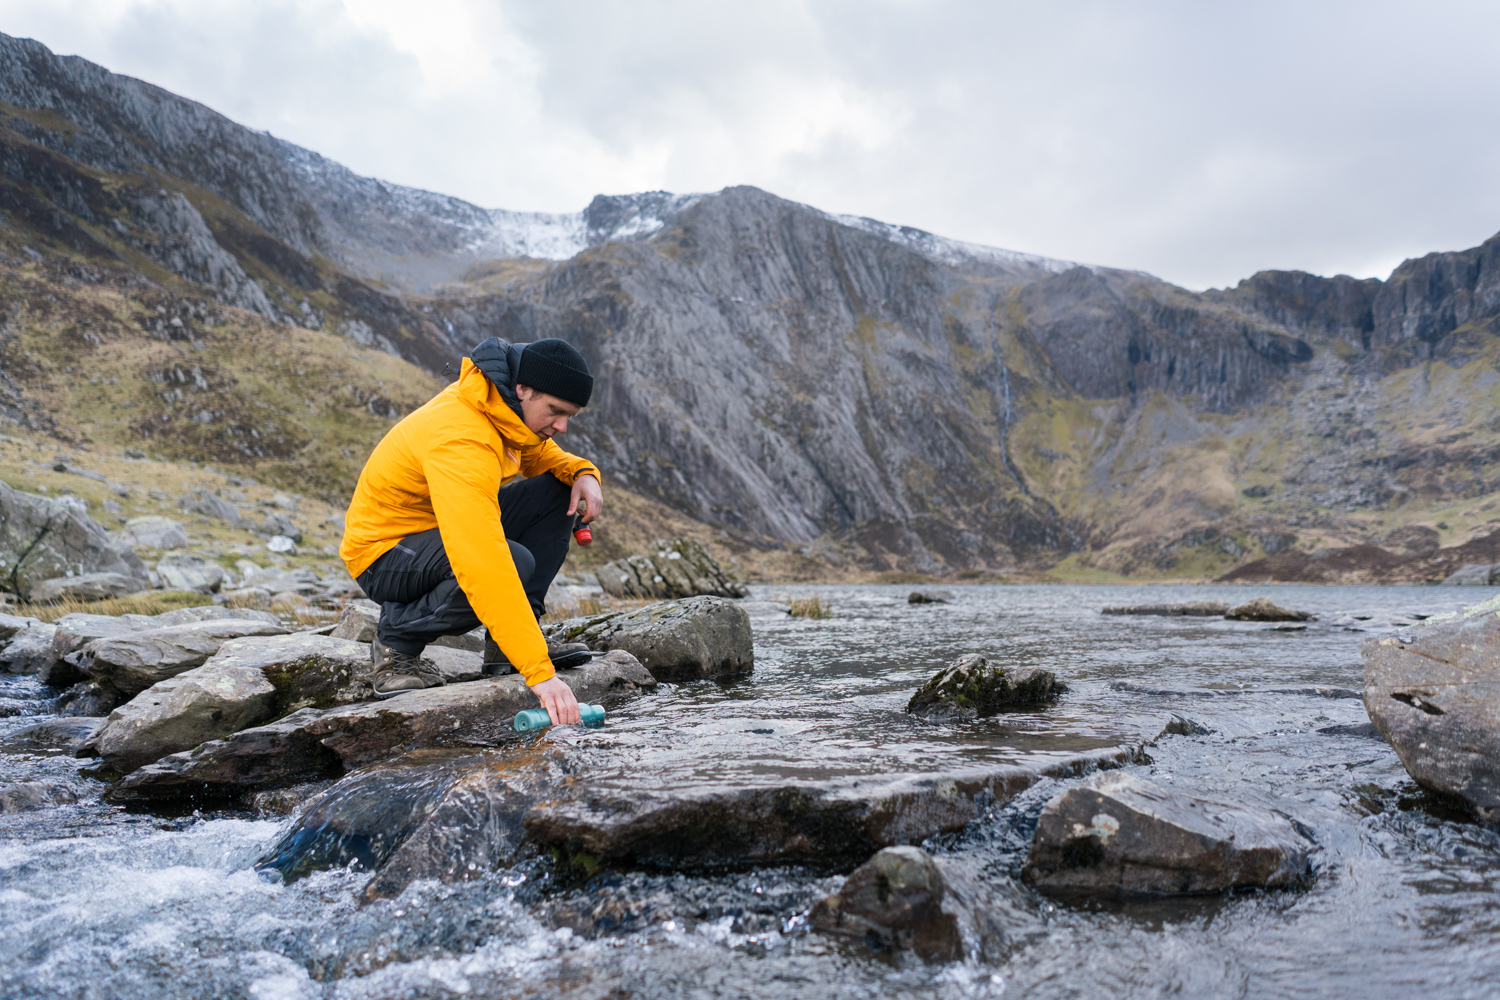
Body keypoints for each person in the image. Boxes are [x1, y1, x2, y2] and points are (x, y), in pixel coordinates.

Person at [339, 337, 604, 724]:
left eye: (570, 416)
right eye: (555, 412)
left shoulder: (502, 410)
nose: (562, 426)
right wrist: (541, 674)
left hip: (435, 532)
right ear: (523, 390)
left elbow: (539, 454)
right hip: (383, 554)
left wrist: (583, 472)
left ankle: (505, 648)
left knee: (557, 488)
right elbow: (481, 561)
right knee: (510, 561)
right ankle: (396, 641)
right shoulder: (462, 436)